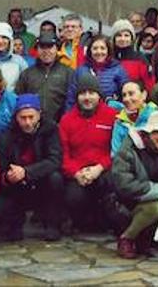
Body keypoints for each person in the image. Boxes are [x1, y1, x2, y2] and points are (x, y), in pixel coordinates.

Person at [110, 109, 158, 258]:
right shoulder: (127, 151)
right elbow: (125, 186)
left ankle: (144, 239)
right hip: (123, 205)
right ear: (148, 133)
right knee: (156, 207)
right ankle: (126, 238)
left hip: (146, 199)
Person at [0, 95, 65, 241]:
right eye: (23, 118)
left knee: (56, 179)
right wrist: (8, 177)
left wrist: (27, 172)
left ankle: (52, 225)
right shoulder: (7, 136)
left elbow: (54, 160)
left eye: (31, 117)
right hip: (17, 186)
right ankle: (13, 225)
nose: (27, 122)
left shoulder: (50, 129)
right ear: (16, 117)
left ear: (39, 114)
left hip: (41, 181)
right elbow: (1, 167)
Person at [58, 72, 118, 232]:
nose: (87, 97)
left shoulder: (112, 116)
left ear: (99, 95)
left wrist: (99, 168)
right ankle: (80, 221)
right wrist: (76, 173)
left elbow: (117, 150)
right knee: (73, 197)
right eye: (82, 93)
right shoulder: (67, 120)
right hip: (78, 172)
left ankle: (107, 219)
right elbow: (63, 154)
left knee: (111, 183)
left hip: (103, 169)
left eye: (91, 93)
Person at [16, 33, 73, 125]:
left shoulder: (68, 73)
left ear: (56, 49)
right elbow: (19, 100)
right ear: (37, 50)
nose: (46, 51)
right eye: (42, 47)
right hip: (33, 127)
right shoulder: (27, 74)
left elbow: (72, 102)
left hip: (60, 126)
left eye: (50, 47)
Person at [67, 34, 129, 108]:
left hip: (110, 113)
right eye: (95, 48)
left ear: (108, 50)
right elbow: (71, 98)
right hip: (85, 114)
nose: (99, 52)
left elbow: (126, 93)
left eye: (102, 48)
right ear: (90, 51)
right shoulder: (81, 70)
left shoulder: (118, 69)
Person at [112, 80, 158, 154]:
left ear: (144, 95)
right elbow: (115, 153)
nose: (126, 99)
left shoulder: (156, 116)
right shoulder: (119, 122)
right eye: (124, 95)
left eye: (131, 94)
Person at [0, 22, 29, 90]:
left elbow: (26, 86)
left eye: (4, 37)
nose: (0, 41)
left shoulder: (19, 62)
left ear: (10, 41)